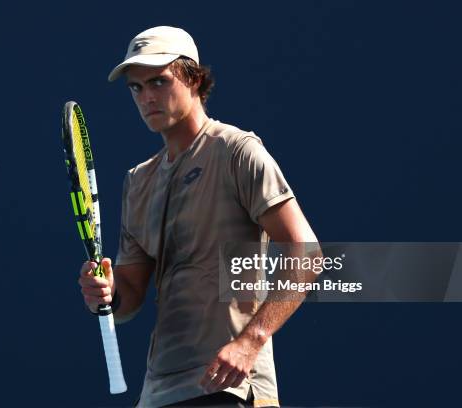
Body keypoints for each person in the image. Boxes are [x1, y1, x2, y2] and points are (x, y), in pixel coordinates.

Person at [78, 26, 319, 408]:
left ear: (194, 78)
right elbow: (130, 297)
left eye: (158, 81)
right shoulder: (138, 181)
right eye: (136, 88)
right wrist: (107, 294)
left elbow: (307, 255)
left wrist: (249, 342)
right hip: (159, 393)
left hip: (232, 386)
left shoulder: (238, 151)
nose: (146, 98)